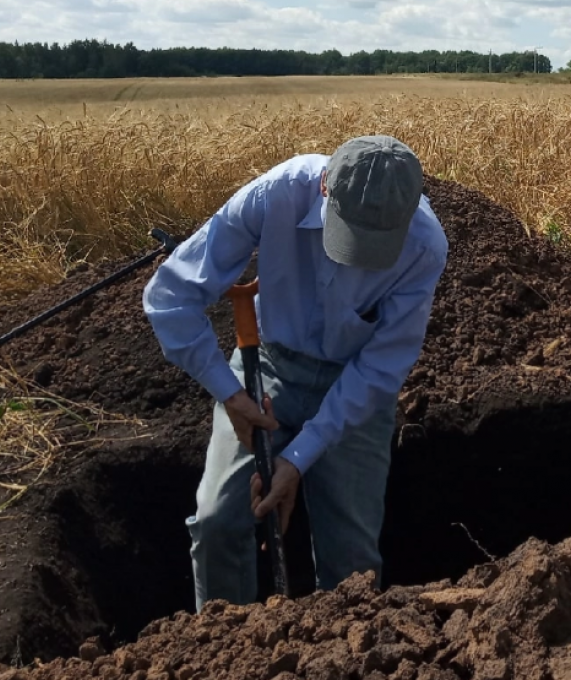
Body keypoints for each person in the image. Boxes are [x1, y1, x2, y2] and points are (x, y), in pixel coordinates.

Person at [142, 136, 448, 611]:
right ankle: (223, 651)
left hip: (354, 385)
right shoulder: (277, 194)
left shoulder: (425, 246)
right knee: (218, 520)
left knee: (353, 562)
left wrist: (297, 459)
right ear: (325, 185)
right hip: (270, 366)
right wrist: (230, 394)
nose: (359, 258)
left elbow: (382, 366)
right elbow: (171, 295)